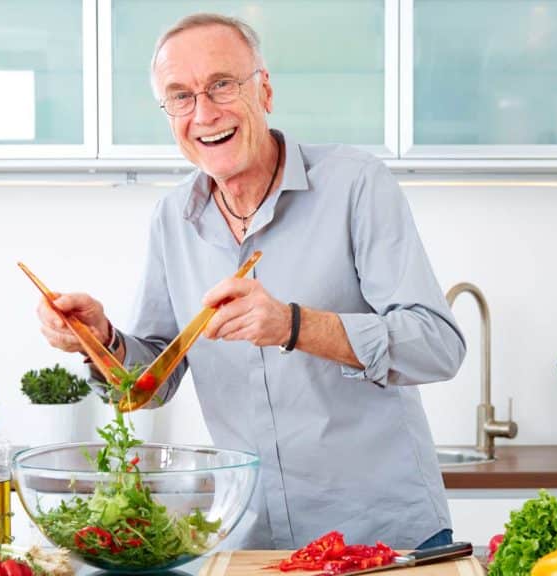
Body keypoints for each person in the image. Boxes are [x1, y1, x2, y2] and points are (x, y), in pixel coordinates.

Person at [36, 13, 466, 551]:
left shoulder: (356, 184)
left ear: (264, 89)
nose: (204, 113)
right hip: (255, 540)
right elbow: (154, 380)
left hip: (383, 535)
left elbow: (437, 346)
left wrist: (293, 325)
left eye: (221, 84)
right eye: (180, 96)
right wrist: (101, 340)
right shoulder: (172, 220)